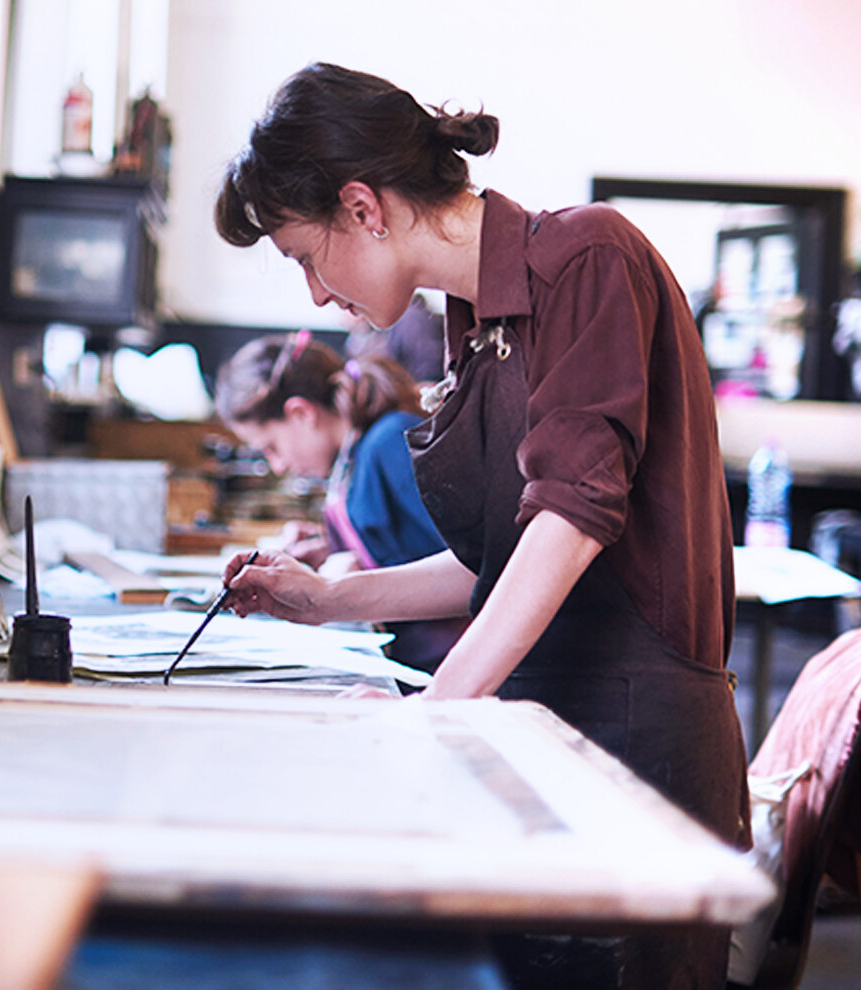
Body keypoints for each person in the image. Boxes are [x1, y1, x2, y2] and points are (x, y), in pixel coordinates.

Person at [213, 63, 747, 989]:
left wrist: (436, 709)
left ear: (363, 207)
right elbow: (505, 562)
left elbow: (572, 523)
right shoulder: (474, 323)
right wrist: (328, 599)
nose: (311, 293)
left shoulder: (588, 256)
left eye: (304, 254)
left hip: (631, 744)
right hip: (546, 723)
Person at [213, 328, 466, 674]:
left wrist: (348, 580)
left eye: (271, 447)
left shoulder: (388, 443)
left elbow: (473, 563)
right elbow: (400, 545)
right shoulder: (353, 458)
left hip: (449, 667)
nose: (278, 465)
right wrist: (328, 550)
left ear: (301, 413)